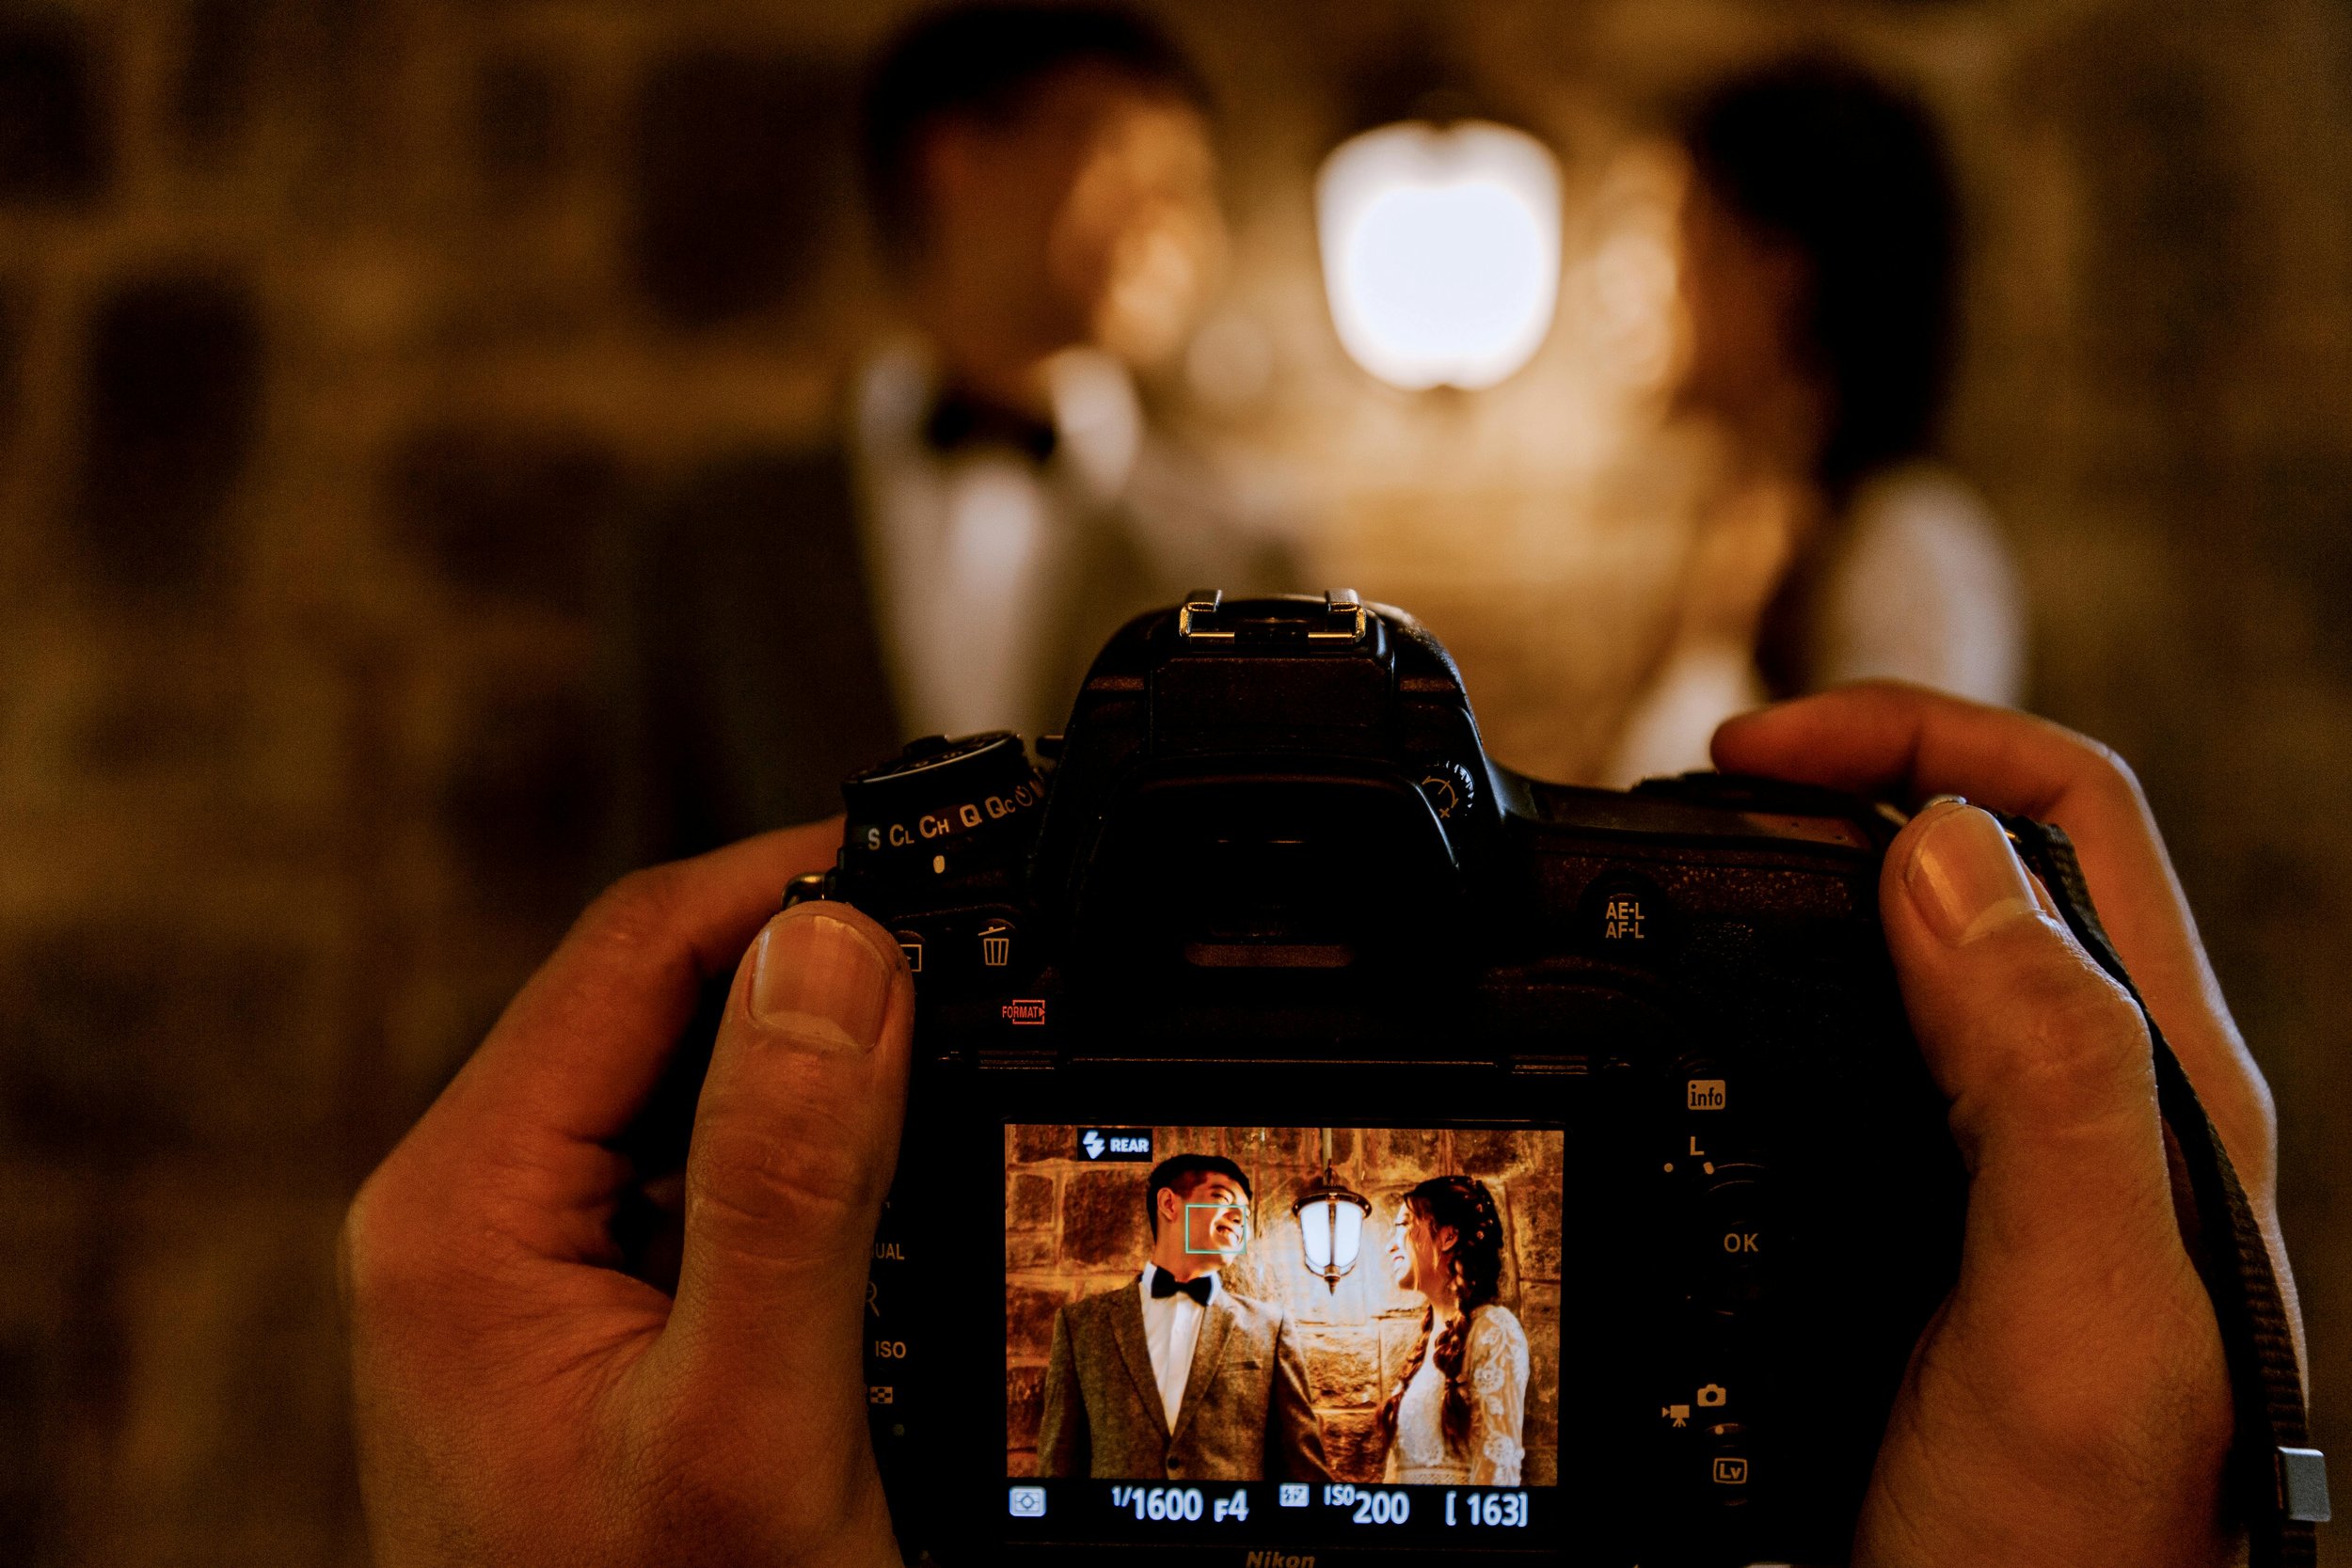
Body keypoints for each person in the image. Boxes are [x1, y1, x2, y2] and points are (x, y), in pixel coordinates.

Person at [342, 684, 2292, 1566]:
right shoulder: (1101, 1336)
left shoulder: (1442, 1337)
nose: (1219, 1225)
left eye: (1219, 1204)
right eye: (1192, 1201)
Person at [605, 3, 1292, 866]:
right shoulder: (712, 540)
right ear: (957, 160)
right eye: (1129, 155)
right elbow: (653, 890)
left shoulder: (1254, 549)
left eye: (1195, 181)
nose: (1181, 221)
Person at [1606, 57, 2026, 784]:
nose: (1648, 283)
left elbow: (1899, 848)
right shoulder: (1751, 536)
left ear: (1782, 271)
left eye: (1687, 242)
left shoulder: (1912, 550)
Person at [1034, 1153, 1330, 1482]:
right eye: (1221, 1198)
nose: (1238, 1217)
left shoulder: (1270, 1328)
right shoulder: (1081, 1326)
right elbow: (1057, 1468)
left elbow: (1304, 1471)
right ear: (1169, 1204)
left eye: (1244, 1212)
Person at [1376, 1176, 1530, 1487]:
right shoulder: (1429, 1342)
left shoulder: (1493, 1331)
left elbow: (1495, 1474)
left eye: (1404, 1224)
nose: (1390, 1244)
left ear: (1447, 1236)